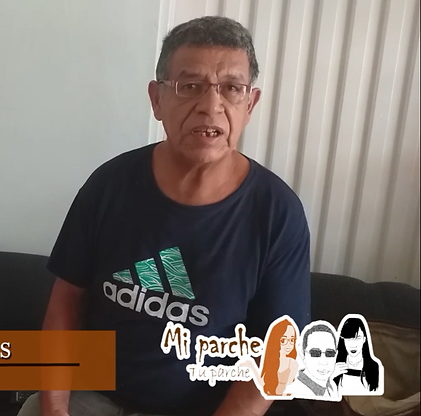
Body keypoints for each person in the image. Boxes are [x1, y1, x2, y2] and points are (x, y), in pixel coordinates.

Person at [18, 15, 311, 416]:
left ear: (250, 104)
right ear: (157, 100)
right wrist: (55, 408)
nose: (211, 106)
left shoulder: (277, 212)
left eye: (231, 88)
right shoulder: (110, 185)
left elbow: (277, 354)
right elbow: (66, 302)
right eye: (190, 86)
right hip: (100, 397)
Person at [239, 318, 299, 397]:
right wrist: (252, 366)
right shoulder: (271, 360)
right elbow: (262, 384)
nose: (289, 344)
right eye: (283, 340)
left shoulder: (292, 364)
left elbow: (280, 390)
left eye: (292, 340)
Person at [284, 322, 343, 401]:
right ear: (302, 354)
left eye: (330, 353)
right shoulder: (293, 388)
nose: (323, 362)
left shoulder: (331, 386)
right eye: (315, 353)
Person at [334, 315, 383, 396]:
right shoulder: (335, 367)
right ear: (343, 340)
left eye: (357, 338)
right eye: (349, 339)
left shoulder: (374, 367)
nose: (353, 344)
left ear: (364, 339)